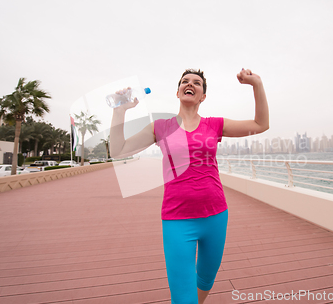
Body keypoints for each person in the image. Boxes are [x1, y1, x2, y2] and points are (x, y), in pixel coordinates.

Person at [110, 68, 269, 304]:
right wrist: (119, 110)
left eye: (197, 83)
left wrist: (257, 85)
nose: (190, 84)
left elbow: (260, 124)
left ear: (202, 96)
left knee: (205, 279)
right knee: (183, 297)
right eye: (185, 81)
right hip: (177, 220)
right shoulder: (160, 128)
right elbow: (118, 150)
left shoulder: (214, 125)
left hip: (216, 215)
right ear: (178, 92)